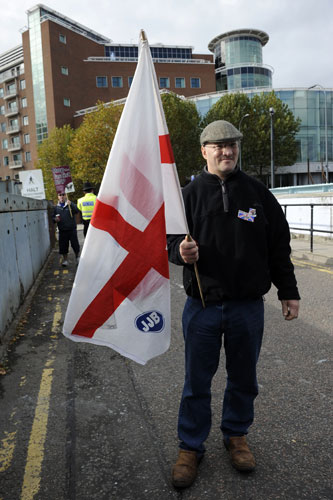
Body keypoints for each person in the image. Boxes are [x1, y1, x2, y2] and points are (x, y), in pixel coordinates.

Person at [167, 120, 300, 489]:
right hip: (203, 307)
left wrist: (289, 291)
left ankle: (236, 435)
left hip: (247, 307)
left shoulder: (258, 194)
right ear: (204, 151)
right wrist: (179, 251)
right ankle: (191, 447)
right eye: (218, 146)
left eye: (232, 145)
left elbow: (279, 247)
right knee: (197, 381)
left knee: (244, 378)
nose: (227, 151)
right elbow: (168, 238)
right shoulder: (188, 195)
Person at [53, 192, 80, 267]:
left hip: (72, 229)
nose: (62, 196)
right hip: (62, 230)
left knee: (75, 245)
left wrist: (71, 204)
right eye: (60, 195)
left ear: (65, 196)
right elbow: (52, 218)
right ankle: (65, 260)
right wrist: (55, 219)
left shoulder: (70, 205)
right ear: (58, 197)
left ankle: (77, 257)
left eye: (63, 195)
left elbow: (77, 210)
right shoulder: (56, 208)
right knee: (63, 246)